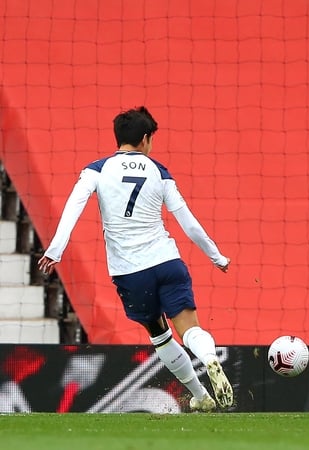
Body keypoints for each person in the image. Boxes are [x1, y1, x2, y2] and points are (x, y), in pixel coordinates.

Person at [37, 106, 234, 412]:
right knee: (190, 329)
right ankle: (209, 357)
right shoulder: (160, 172)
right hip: (168, 262)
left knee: (161, 335)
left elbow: (73, 208)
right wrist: (215, 255)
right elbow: (187, 221)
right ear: (145, 139)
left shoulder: (96, 170)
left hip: (131, 272)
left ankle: (201, 395)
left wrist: (55, 250)